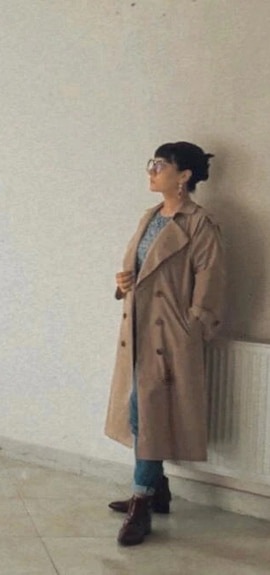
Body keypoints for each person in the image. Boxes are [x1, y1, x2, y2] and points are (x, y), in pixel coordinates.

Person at [104, 141, 226, 546]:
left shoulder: (200, 224)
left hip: (171, 334)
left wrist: (192, 326)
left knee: (146, 410)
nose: (151, 171)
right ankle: (158, 489)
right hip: (139, 329)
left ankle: (143, 499)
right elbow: (138, 269)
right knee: (141, 410)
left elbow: (210, 283)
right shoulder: (150, 216)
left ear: (184, 175)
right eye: (151, 164)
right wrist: (124, 285)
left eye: (160, 165)